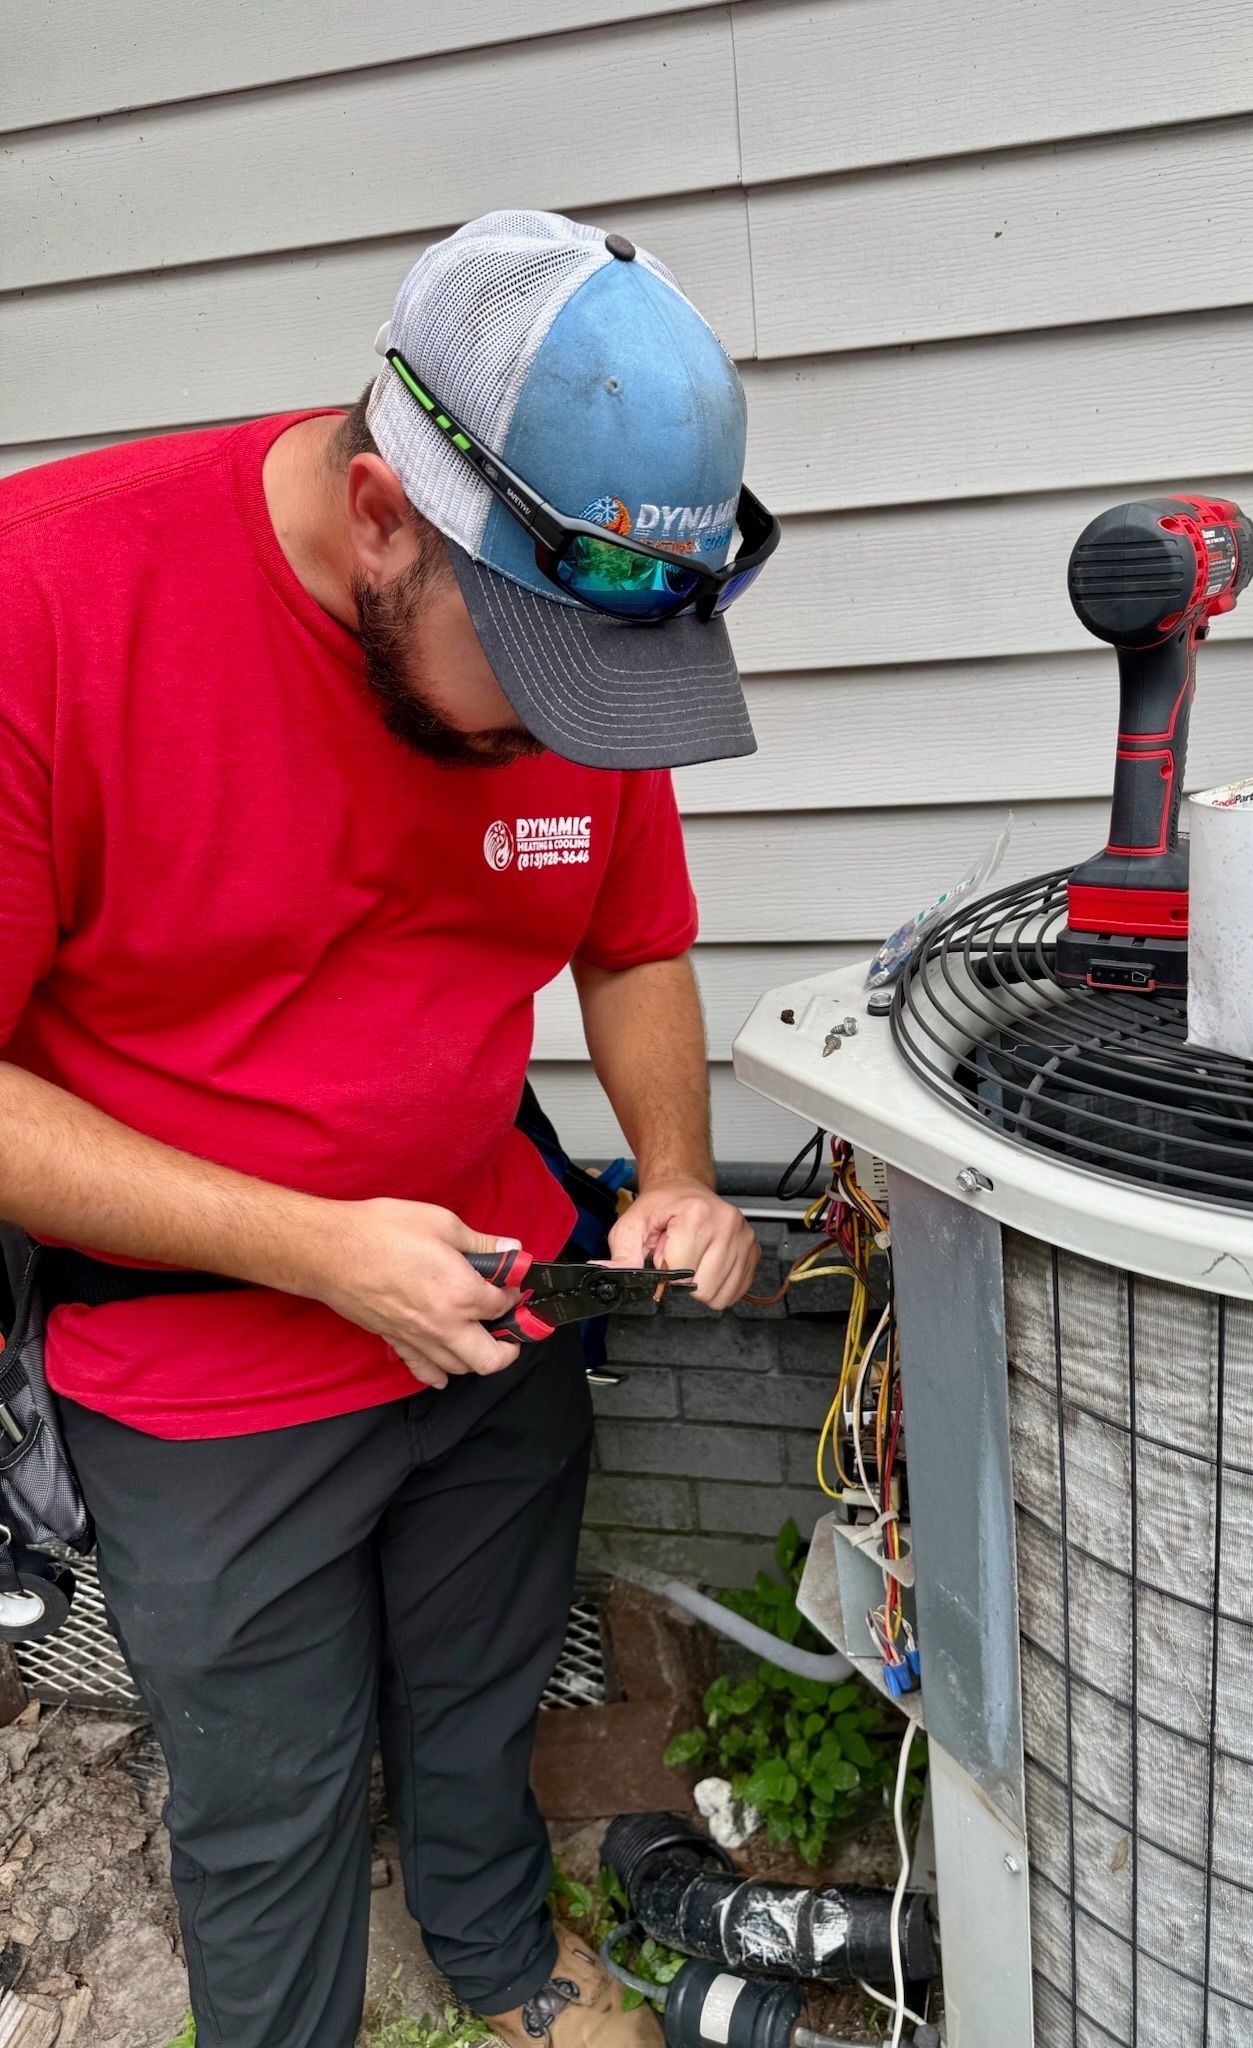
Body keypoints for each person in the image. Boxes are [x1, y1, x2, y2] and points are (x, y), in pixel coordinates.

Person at [0, 210, 776, 2048]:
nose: (569, 738)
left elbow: (633, 940)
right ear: (379, 517)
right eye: (536, 678)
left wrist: (672, 1171)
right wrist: (316, 1245)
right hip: (200, 1359)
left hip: (496, 1298)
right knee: (265, 1801)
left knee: (478, 1694)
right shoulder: (52, 607)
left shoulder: (578, 644)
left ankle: (501, 1963)